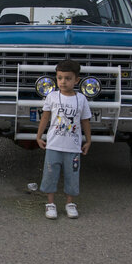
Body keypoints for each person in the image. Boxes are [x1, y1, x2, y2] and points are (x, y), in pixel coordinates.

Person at [36, 59, 92, 219]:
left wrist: (88, 141)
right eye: (59, 78)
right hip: (53, 145)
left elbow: (85, 121)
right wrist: (39, 136)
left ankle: (70, 203)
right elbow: (45, 117)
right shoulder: (52, 97)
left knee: (72, 176)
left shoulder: (81, 99)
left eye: (67, 78)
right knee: (50, 174)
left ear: (76, 80)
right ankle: (50, 204)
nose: (63, 82)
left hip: (73, 147)